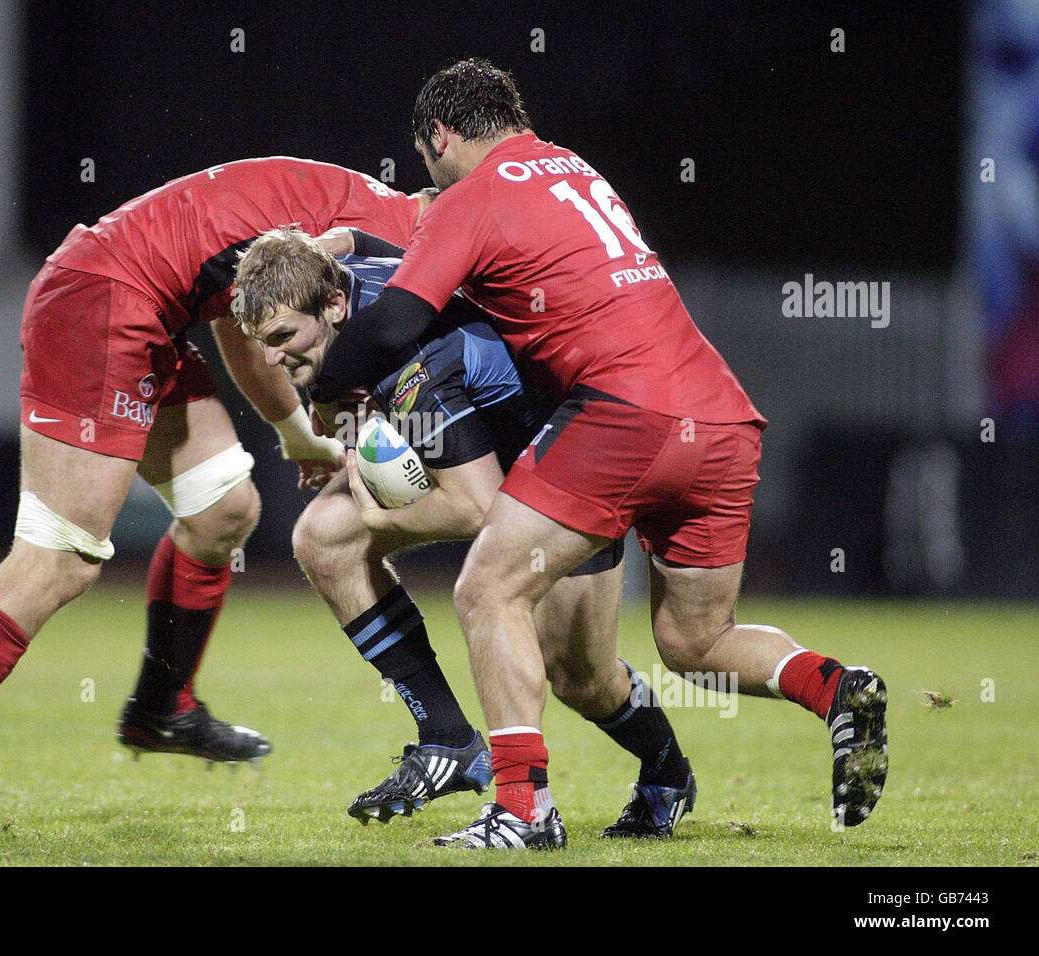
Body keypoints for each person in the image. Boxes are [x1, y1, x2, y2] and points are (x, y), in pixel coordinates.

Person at [309, 60, 889, 849]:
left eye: (424, 157)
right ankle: (836, 689)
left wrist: (322, 400)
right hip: (719, 420)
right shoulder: (575, 169)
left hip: (623, 418)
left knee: (486, 588)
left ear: (438, 135)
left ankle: (521, 809)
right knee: (696, 643)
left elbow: (391, 323)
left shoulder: (468, 197)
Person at [0, 158, 434, 825]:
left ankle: (163, 707)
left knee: (223, 511)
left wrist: (297, 433)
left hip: (136, 302)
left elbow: (242, 321)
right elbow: (268, 337)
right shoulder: (387, 247)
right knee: (58, 556)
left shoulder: (368, 208)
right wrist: (312, 431)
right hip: (107, 300)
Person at [232, 227, 696, 839]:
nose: (269, 359)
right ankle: (448, 738)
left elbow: (476, 511)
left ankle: (666, 774)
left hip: (562, 462)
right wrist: (351, 445)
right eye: (259, 343)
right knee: (322, 537)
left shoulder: (411, 360)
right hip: (481, 453)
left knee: (580, 676)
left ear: (337, 306)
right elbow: (362, 238)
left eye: (283, 337)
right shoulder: (345, 294)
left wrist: (378, 514)